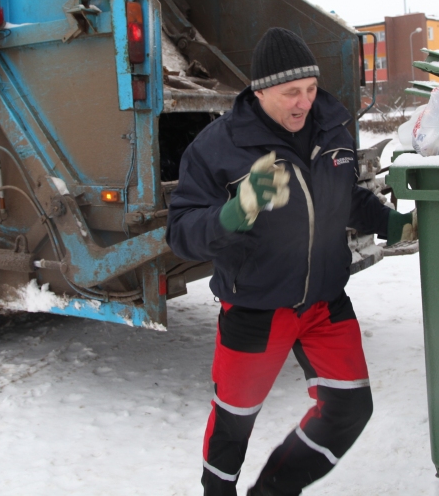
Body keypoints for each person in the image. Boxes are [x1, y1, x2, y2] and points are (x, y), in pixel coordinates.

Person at [167, 27, 417, 496]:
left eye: (309, 89)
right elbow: (181, 233)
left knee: (349, 408)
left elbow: (344, 197)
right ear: (260, 92)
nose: (303, 102)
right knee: (233, 426)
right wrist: (234, 212)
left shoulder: (331, 127)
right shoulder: (219, 147)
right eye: (290, 93)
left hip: (324, 301)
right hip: (257, 307)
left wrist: (391, 222)